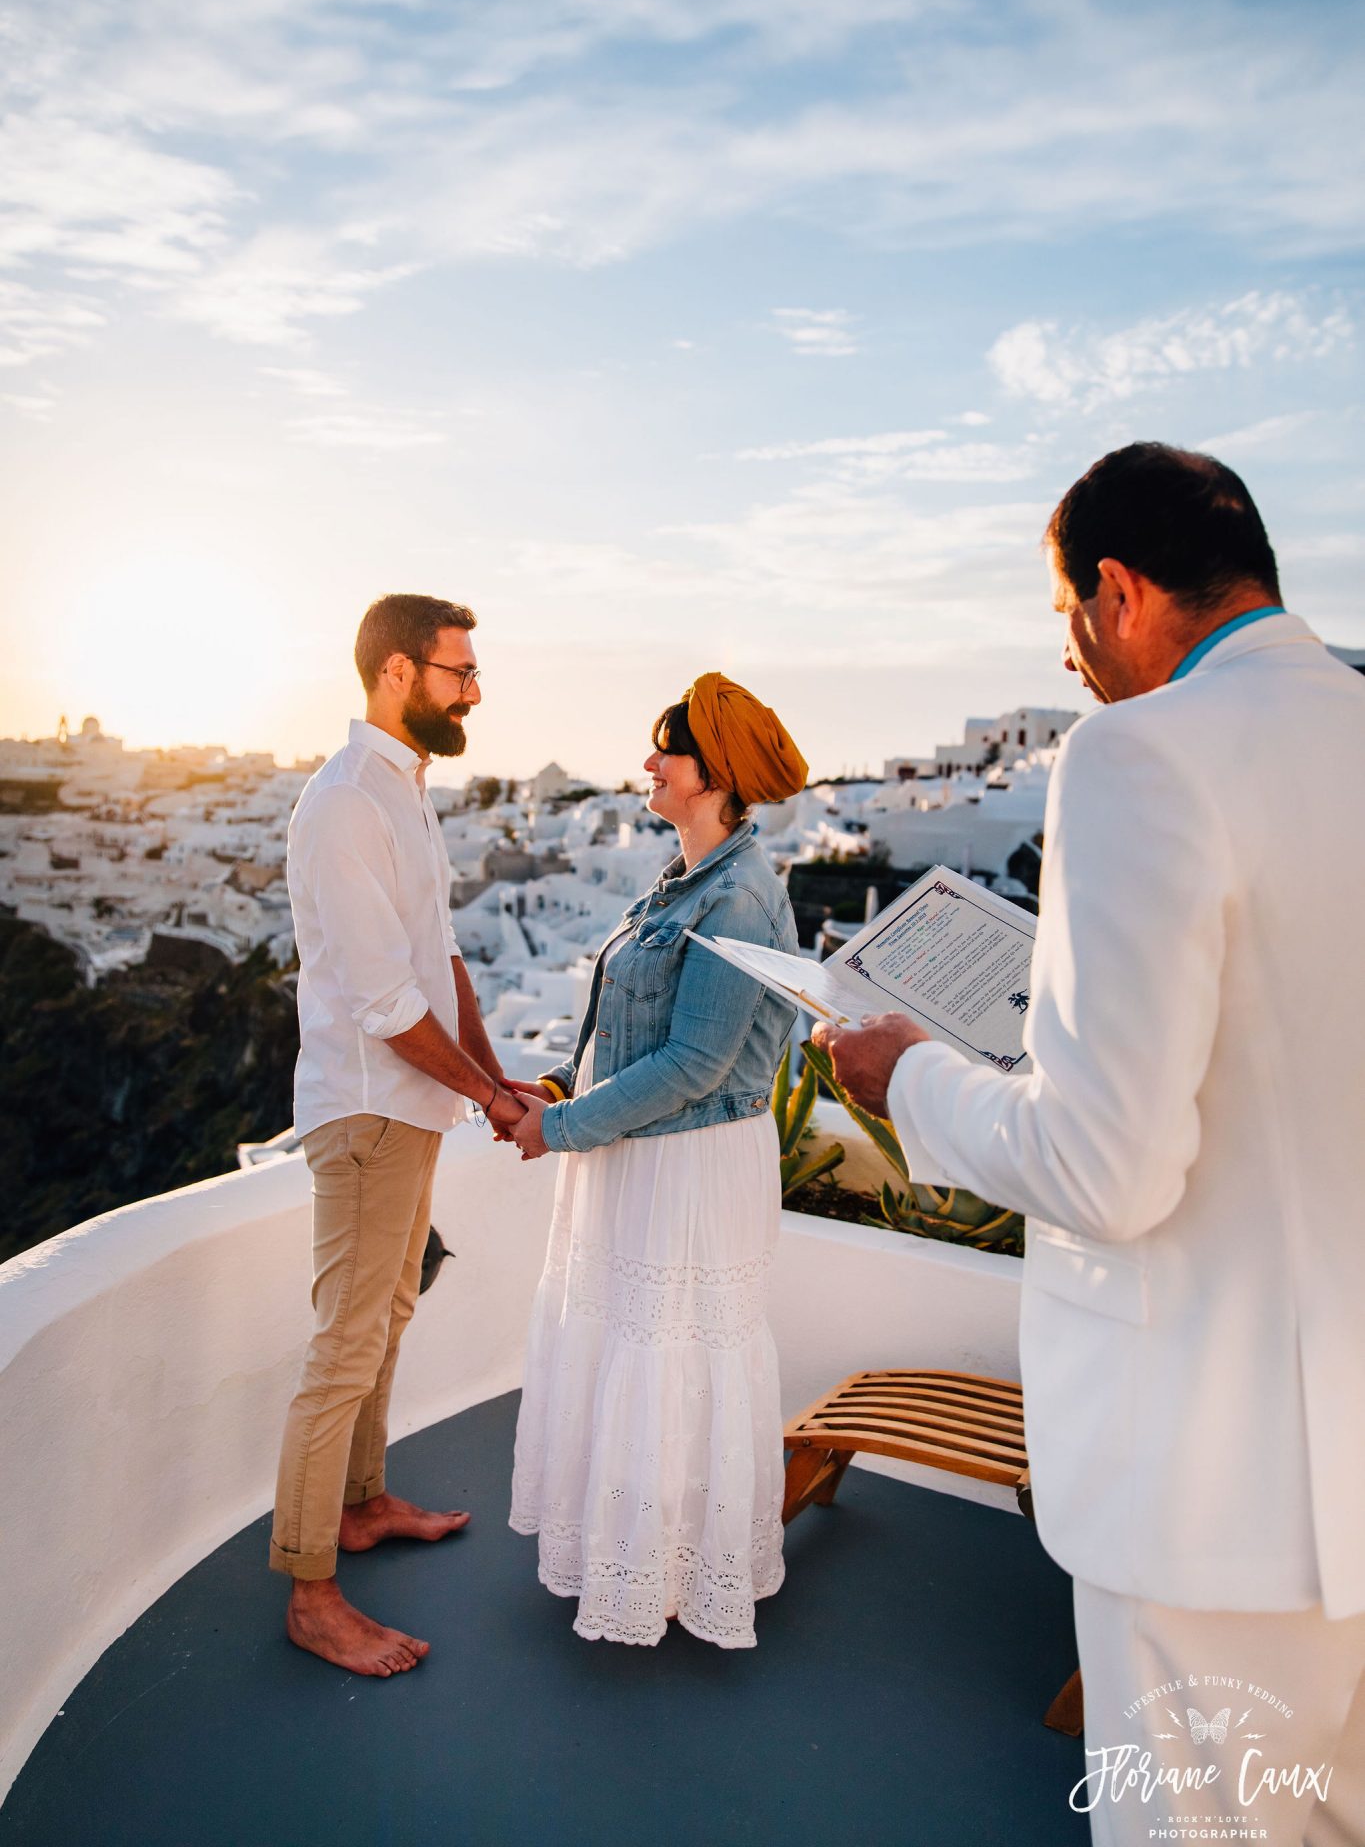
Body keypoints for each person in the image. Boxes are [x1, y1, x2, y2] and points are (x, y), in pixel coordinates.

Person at [814, 445, 1365, 1847]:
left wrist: (913, 1080)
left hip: (1210, 1493)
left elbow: (1104, 1170)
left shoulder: (1139, 753)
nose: (1070, 659)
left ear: (1116, 593)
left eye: (1065, 616)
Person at [506, 674, 806, 1648]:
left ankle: (673, 1574)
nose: (647, 764)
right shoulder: (684, 879)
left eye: (664, 751)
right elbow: (624, 1023)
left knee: (674, 1359)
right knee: (638, 1350)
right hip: (638, 1151)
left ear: (712, 774)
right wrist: (560, 1084)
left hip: (690, 1167)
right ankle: (635, 1558)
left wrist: (560, 1128)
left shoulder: (742, 896)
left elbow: (697, 1062)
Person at [272, 593, 527, 1678]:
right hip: (369, 1106)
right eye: (457, 670)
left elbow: (445, 959)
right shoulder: (344, 806)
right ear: (394, 674)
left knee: (391, 1311)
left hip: (409, 1107)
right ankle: (310, 1586)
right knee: (345, 1343)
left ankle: (364, 1504)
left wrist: (492, 1072)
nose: (474, 689)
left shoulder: (404, 792)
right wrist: (488, 1095)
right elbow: (384, 1001)